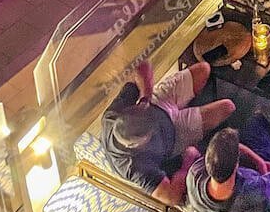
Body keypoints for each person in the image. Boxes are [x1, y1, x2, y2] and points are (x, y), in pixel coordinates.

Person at [100, 60, 234, 202]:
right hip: (176, 135)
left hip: (158, 102)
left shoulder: (111, 117)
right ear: (135, 145)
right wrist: (187, 161)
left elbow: (141, 65)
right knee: (227, 107)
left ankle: (188, 104)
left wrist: (145, 97)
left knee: (204, 68)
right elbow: (171, 198)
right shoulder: (135, 167)